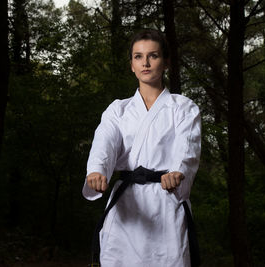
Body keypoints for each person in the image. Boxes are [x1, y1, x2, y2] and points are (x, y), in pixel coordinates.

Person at [82, 29, 201, 267]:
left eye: (153, 56)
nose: (145, 63)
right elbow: (105, 141)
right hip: (127, 206)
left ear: (166, 62)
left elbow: (187, 146)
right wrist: (97, 170)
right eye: (138, 56)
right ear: (131, 65)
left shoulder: (183, 107)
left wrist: (178, 171)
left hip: (166, 203)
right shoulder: (118, 110)